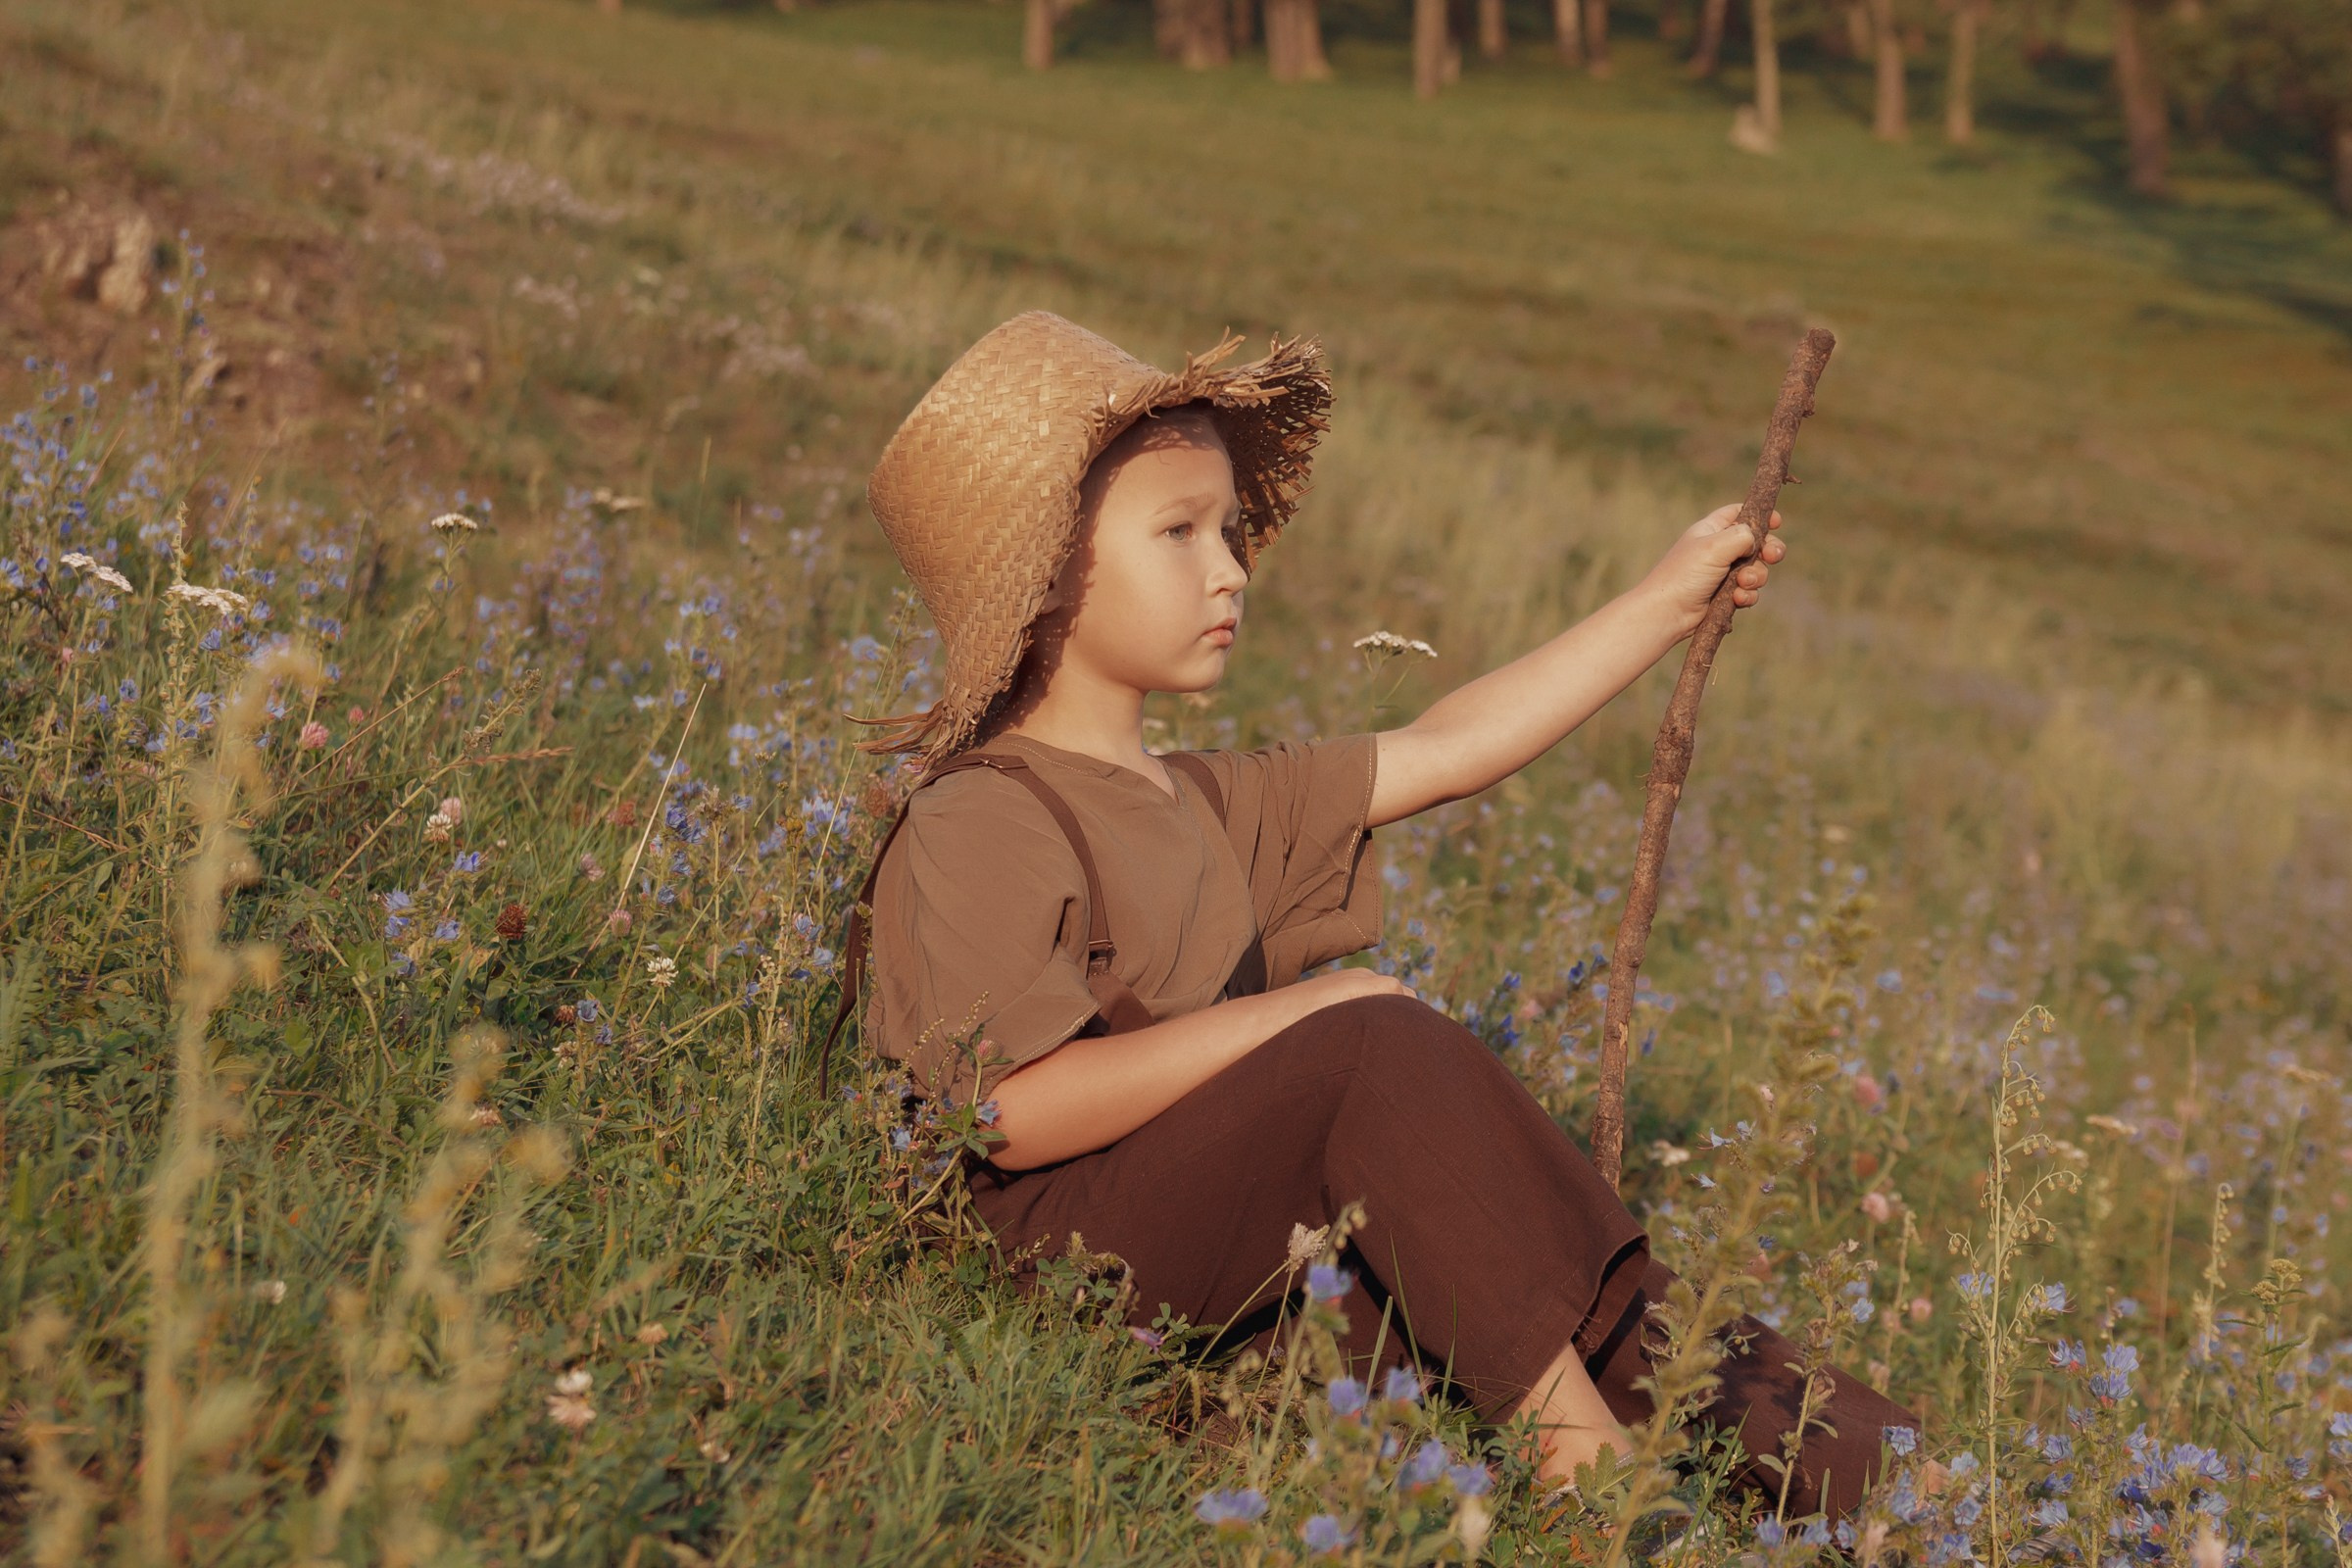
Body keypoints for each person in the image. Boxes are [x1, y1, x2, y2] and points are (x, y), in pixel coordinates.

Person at [845, 311, 1916, 1519]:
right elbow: (1003, 1111)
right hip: (1069, 1266)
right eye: (1180, 531)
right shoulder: (981, 815)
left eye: (1233, 530)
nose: (1231, 567)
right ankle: (1591, 1490)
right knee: (1376, 1047)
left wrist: (1668, 600)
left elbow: (1446, 746)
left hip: (1236, 1265)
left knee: (1598, 1308)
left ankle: (1968, 1508)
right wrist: (1307, 1019)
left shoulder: (1201, 798)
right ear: (1047, 572)